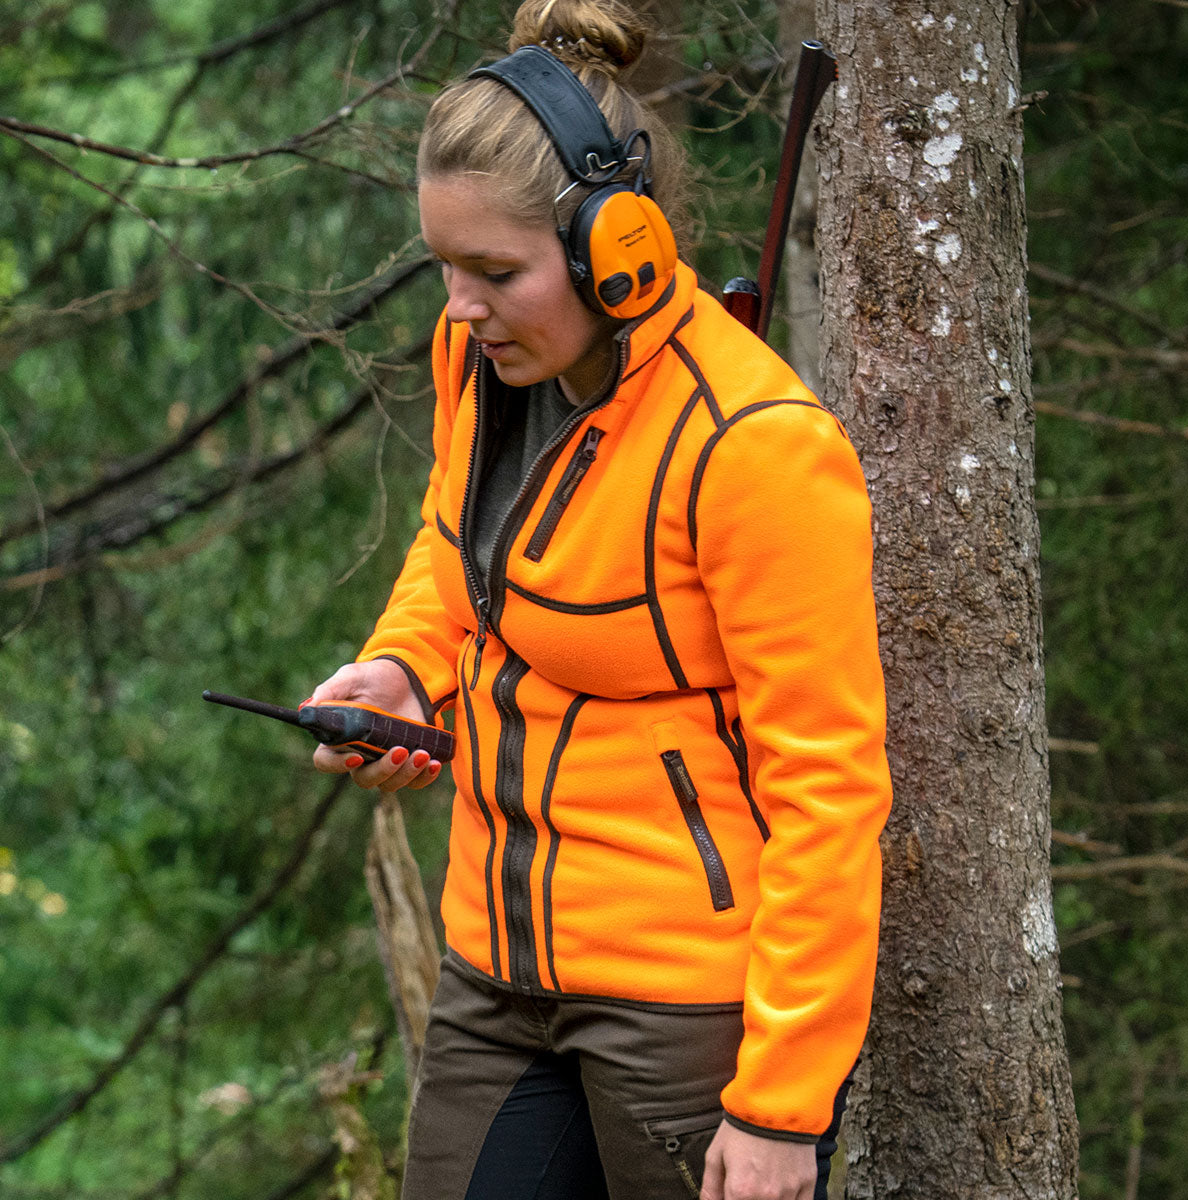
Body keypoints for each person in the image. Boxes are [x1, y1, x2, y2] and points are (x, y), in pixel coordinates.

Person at [307, 2, 892, 1197]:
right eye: (446, 267)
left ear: (614, 249)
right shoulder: (481, 360)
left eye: (496, 273)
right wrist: (406, 667)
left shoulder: (757, 447)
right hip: (492, 972)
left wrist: (781, 1108)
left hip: (685, 1009)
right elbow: (454, 545)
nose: (460, 306)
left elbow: (828, 791)